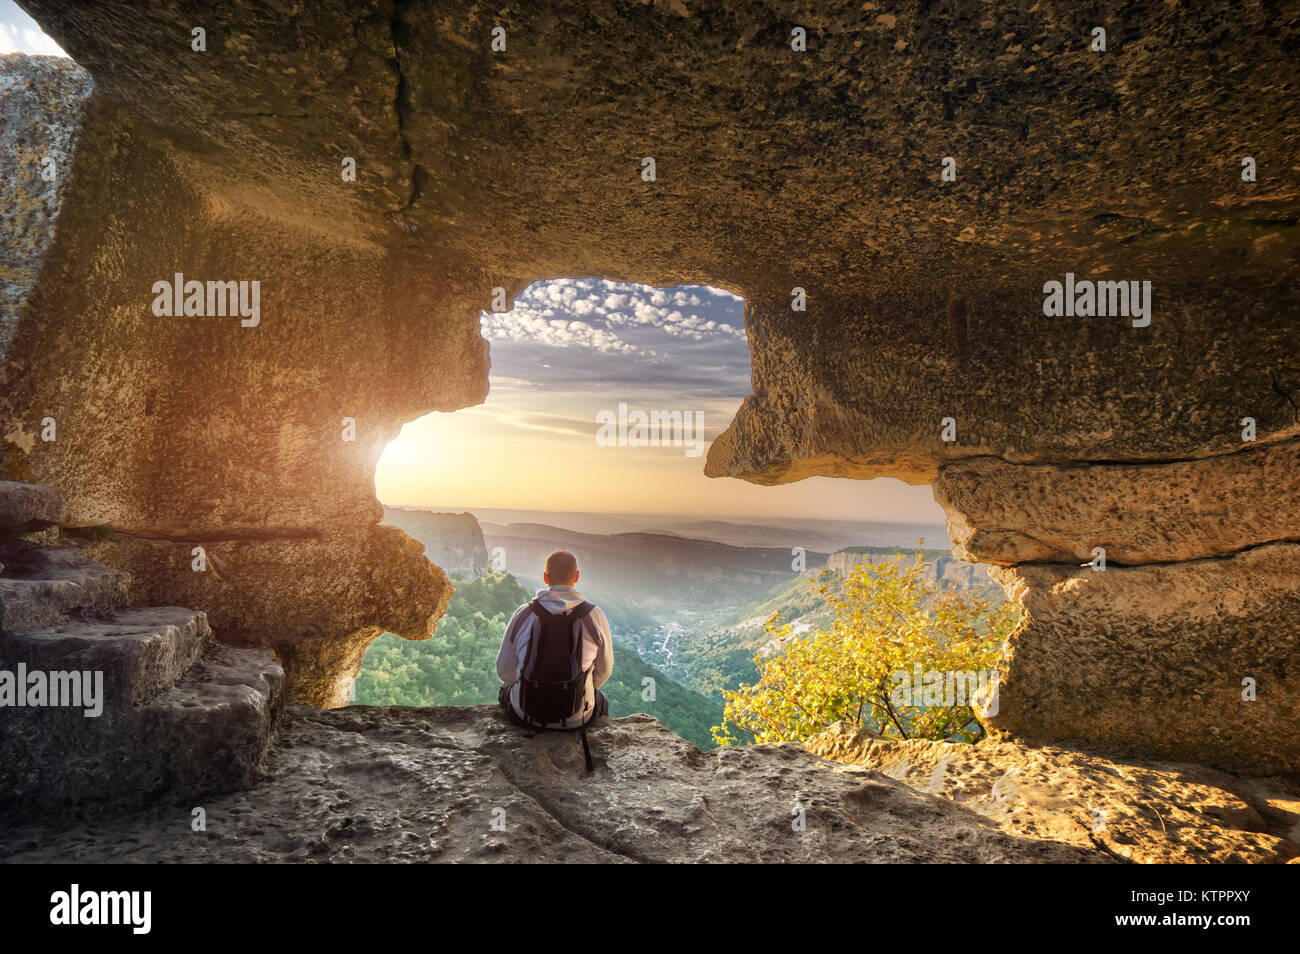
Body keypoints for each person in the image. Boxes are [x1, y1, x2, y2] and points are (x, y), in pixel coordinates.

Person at [496, 549, 613, 731]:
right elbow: (603, 672)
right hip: (577, 717)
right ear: (576, 577)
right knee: (601, 699)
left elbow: (504, 671)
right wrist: (579, 686)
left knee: (505, 690)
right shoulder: (594, 616)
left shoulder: (524, 614)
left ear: (545, 577)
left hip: (526, 714)